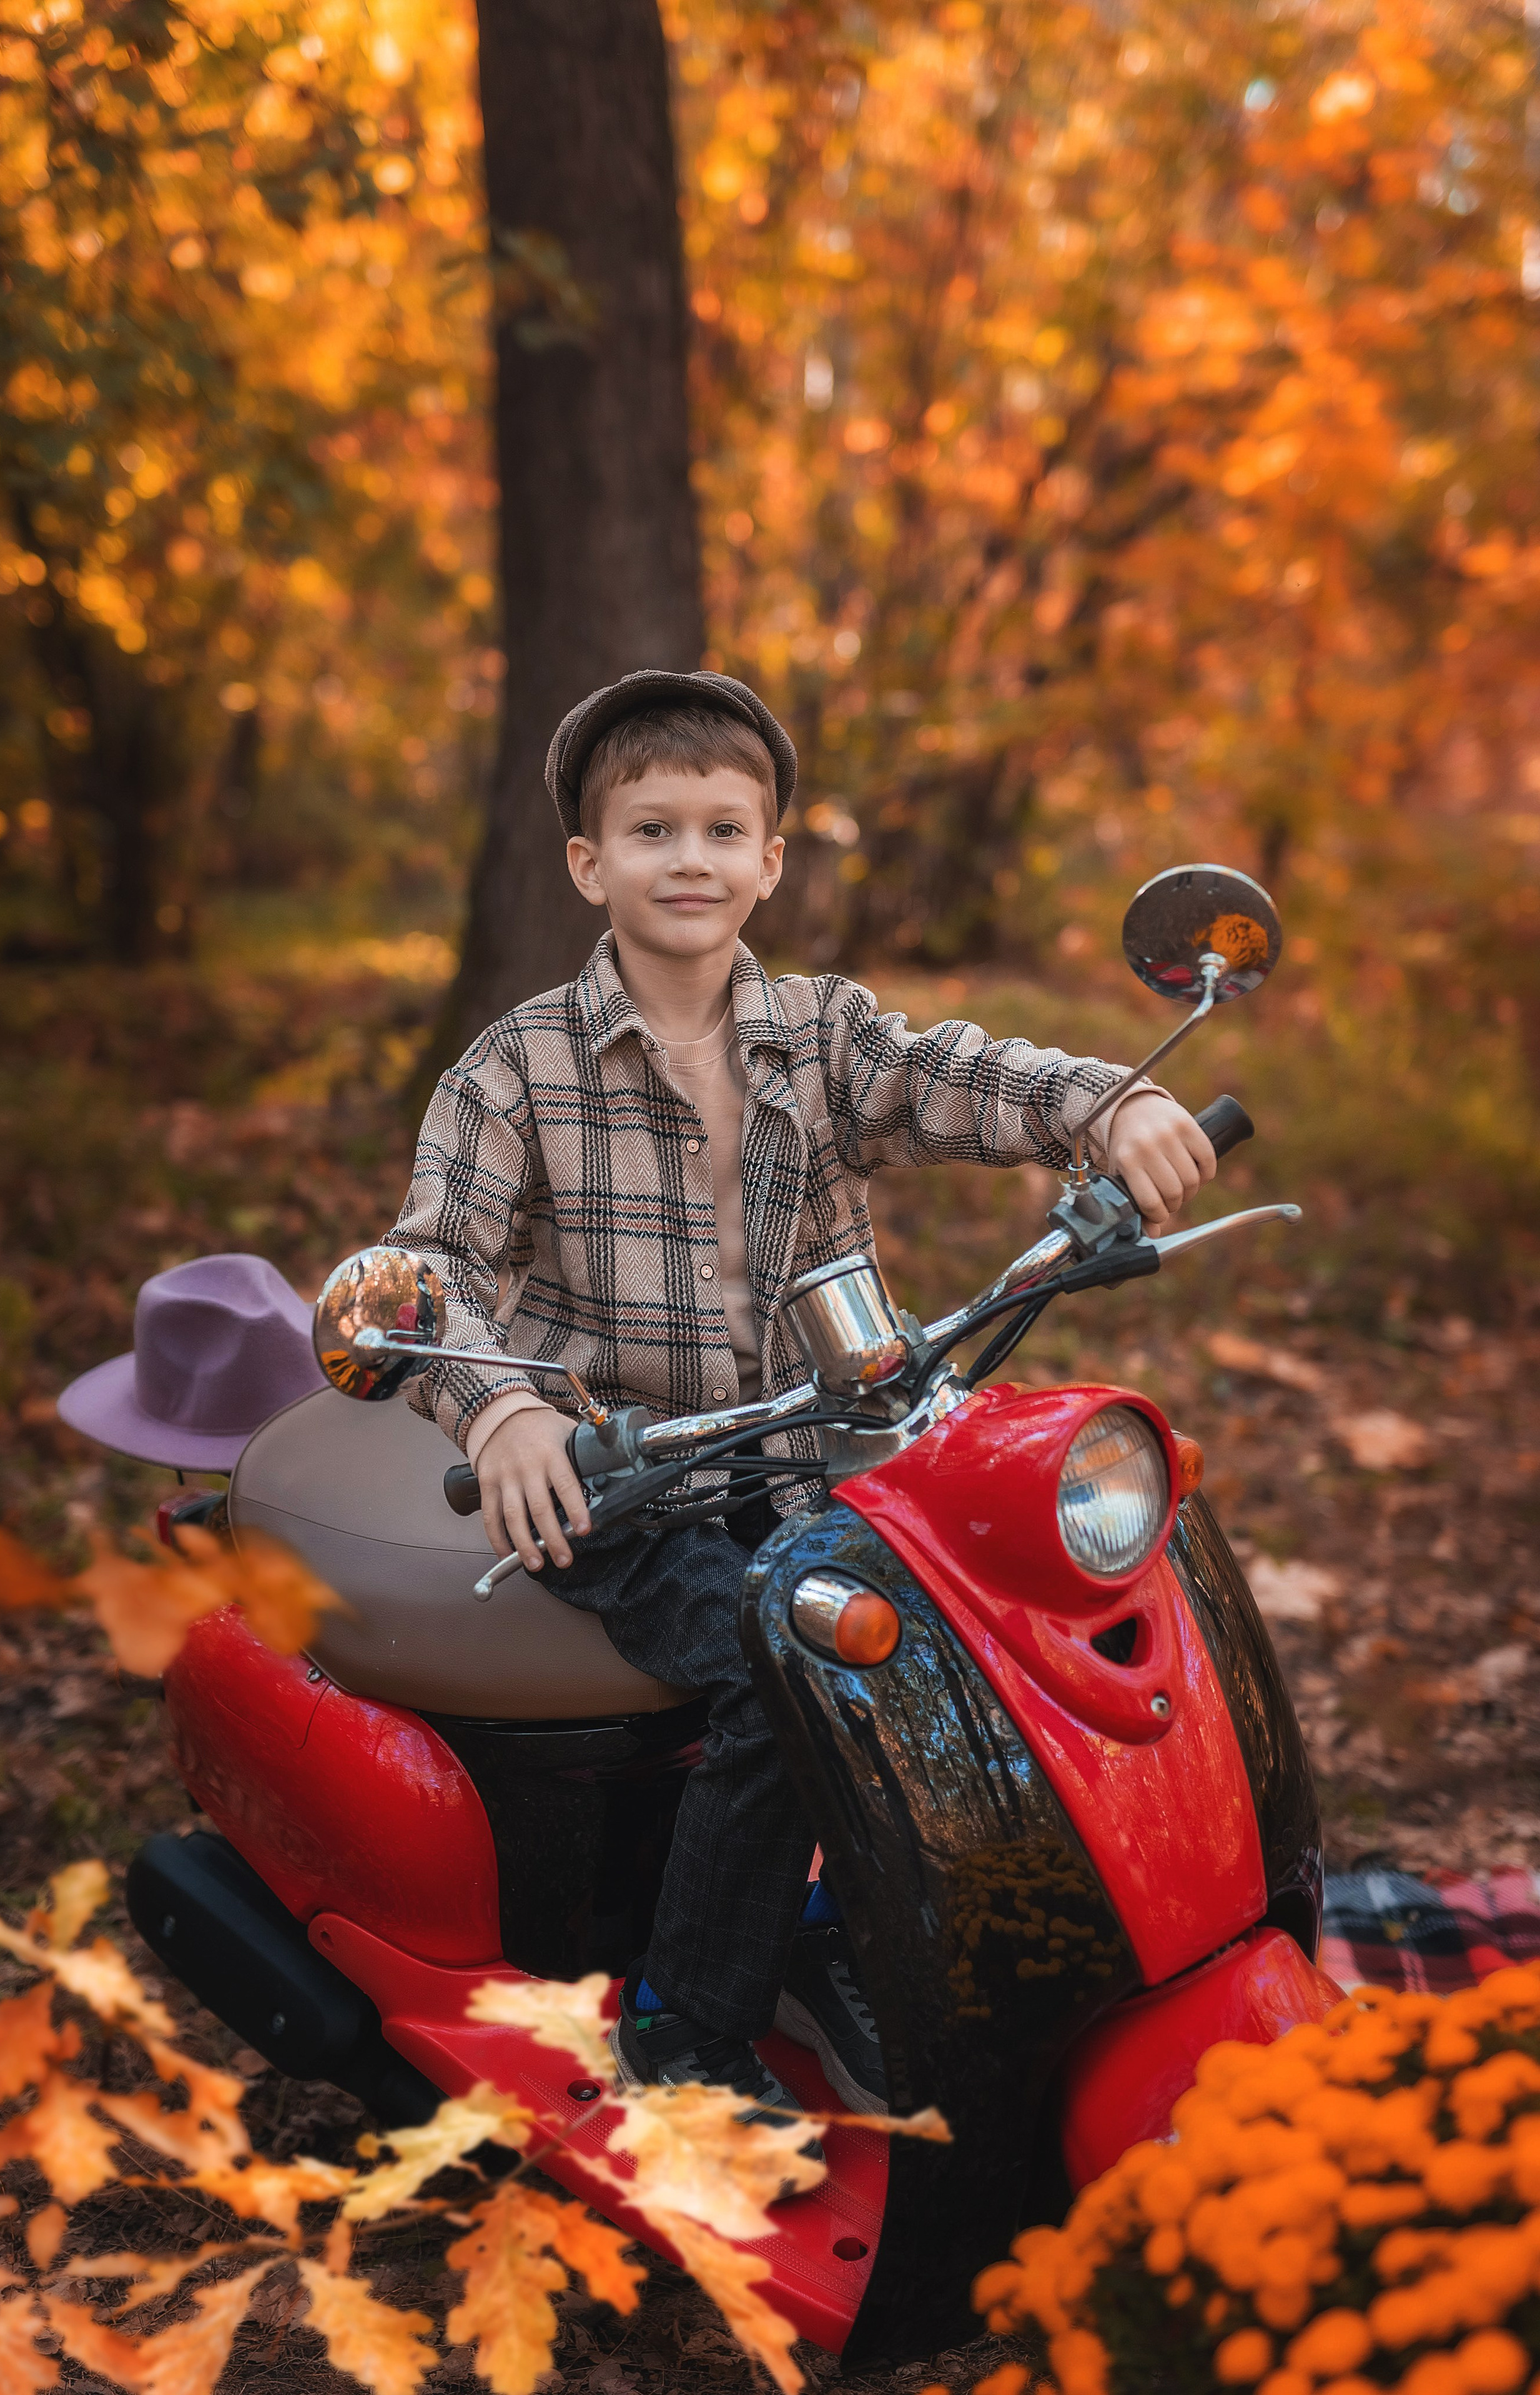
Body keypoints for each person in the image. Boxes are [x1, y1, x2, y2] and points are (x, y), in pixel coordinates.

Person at [387, 668, 1216, 2121]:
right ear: (589, 863)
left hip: (826, 1453)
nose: (689, 859)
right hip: (625, 1484)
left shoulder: (823, 1035)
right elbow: (422, 1267)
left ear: (771, 858)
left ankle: (913, 1937)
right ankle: (684, 2031)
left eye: (722, 828)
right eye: (651, 831)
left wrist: (1108, 1100)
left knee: (985, 1624)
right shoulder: (510, 1069)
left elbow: (966, 1073)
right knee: (790, 1665)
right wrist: (502, 1411)